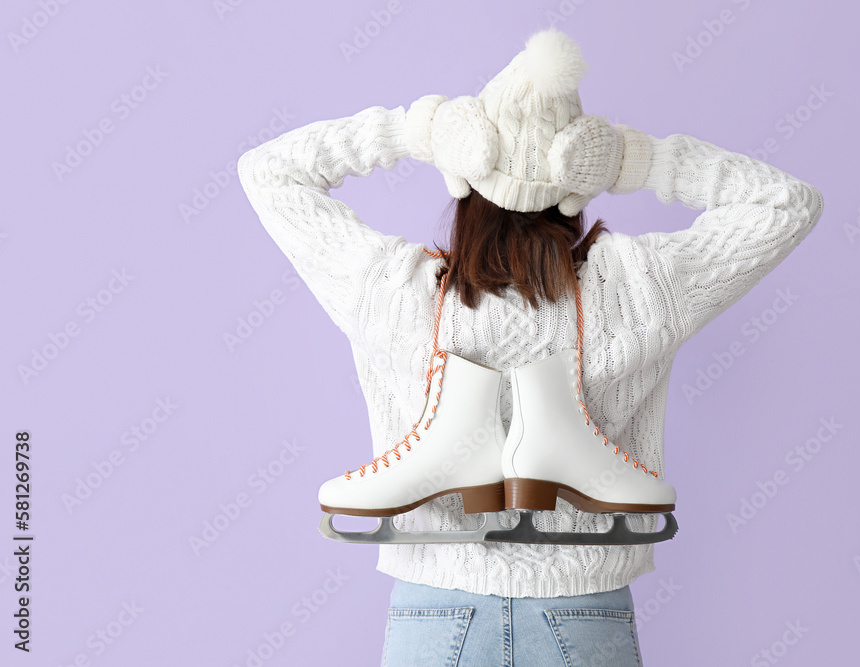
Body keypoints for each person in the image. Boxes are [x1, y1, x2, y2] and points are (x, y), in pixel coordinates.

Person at [237, 27, 823, 667]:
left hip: (437, 603)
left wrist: (417, 129)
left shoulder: (392, 290)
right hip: (581, 604)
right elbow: (786, 204)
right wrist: (635, 158)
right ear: (577, 186)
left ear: (462, 177)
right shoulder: (638, 286)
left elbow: (269, 172)